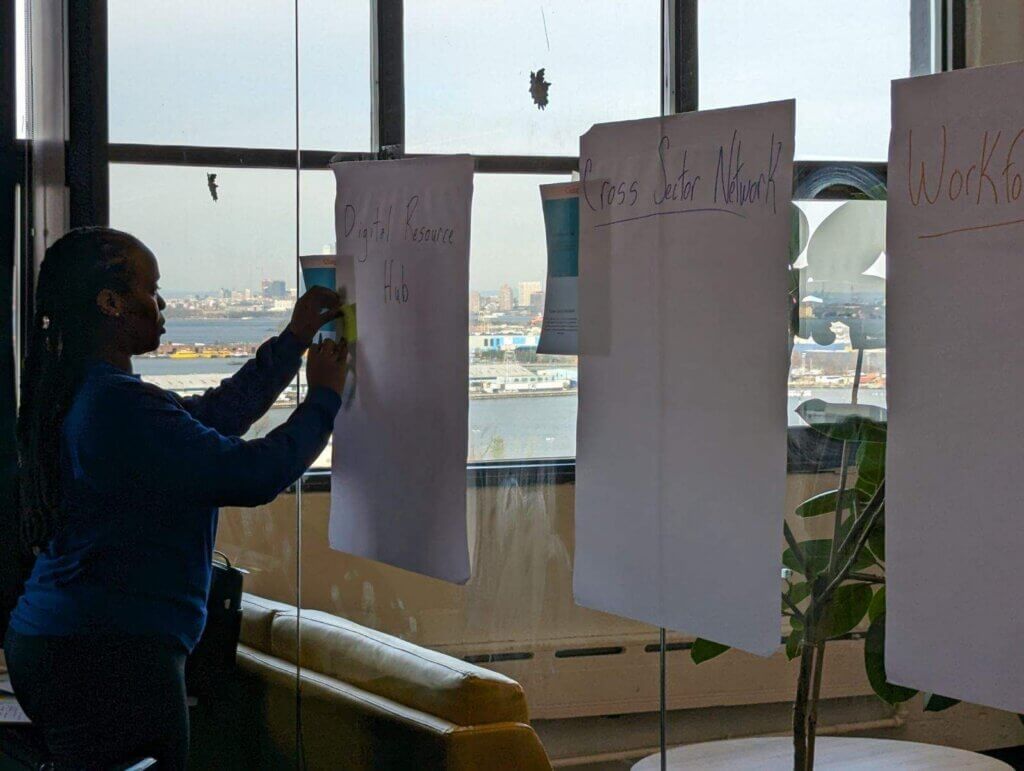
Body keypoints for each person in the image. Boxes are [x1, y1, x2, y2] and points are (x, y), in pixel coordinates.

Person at [2, 227, 347, 770]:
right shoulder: (116, 405)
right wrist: (324, 397)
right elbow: (252, 474)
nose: (161, 304)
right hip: (108, 655)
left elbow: (213, 416)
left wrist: (295, 340)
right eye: (152, 289)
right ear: (111, 303)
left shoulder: (90, 391)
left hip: (67, 643)